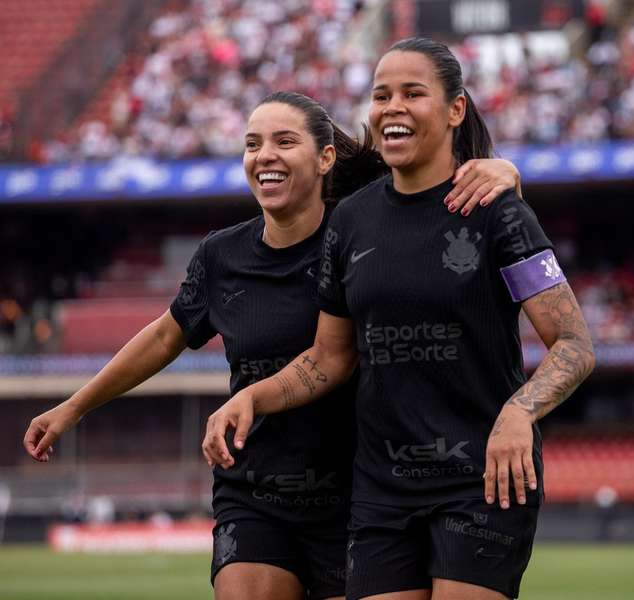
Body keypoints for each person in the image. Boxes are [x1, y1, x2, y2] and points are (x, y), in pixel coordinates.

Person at [22, 90, 523, 600]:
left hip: (356, 495)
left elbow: (436, 201)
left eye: (285, 141)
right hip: (254, 492)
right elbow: (163, 336)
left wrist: (505, 174)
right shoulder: (221, 255)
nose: (265, 156)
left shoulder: (362, 238)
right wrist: (74, 406)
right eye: (252, 144)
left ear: (325, 158)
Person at [203, 38, 595, 600]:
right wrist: (252, 398)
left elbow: (575, 345)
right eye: (382, 94)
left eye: (414, 93)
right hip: (381, 491)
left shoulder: (499, 212)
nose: (393, 107)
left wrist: (519, 413)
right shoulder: (352, 220)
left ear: (455, 109)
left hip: (482, 480)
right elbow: (329, 357)